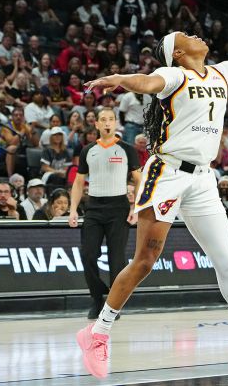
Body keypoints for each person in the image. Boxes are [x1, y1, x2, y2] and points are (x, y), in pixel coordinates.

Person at [75, 31, 228, 377]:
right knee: (145, 261)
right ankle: (97, 333)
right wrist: (118, 80)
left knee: (226, 262)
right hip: (167, 173)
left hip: (203, 178)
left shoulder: (221, 71)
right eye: (186, 36)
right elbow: (147, 81)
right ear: (177, 52)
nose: (196, 35)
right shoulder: (176, 75)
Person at [69, 108, 141, 320]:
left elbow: (139, 180)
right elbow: (79, 181)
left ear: (115, 123)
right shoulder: (88, 150)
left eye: (111, 119)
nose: (107, 123)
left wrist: (135, 207)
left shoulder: (127, 149)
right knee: (88, 255)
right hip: (93, 207)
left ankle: (113, 304)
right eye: (103, 120)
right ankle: (97, 297)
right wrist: (73, 209)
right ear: (97, 125)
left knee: (116, 259)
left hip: (118, 207)